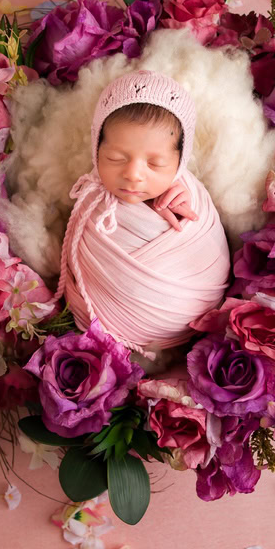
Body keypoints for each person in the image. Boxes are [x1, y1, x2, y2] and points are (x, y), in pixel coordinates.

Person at [54, 69, 231, 372]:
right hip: (99, 322)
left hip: (187, 318)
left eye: (156, 163)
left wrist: (186, 204)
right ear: (96, 151)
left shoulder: (190, 195)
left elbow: (205, 239)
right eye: (116, 159)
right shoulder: (90, 204)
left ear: (179, 162)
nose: (134, 174)